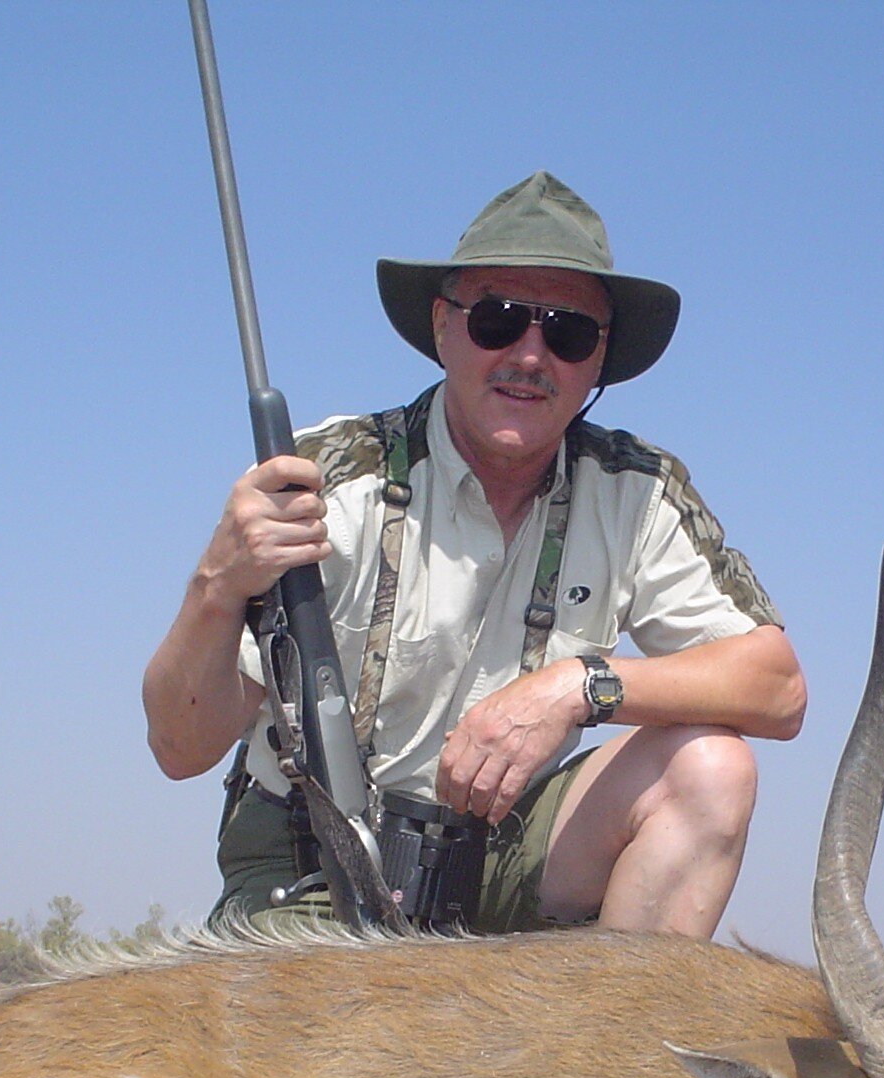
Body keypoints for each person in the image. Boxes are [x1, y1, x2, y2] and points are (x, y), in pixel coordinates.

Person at [144, 172, 804, 938]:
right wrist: (216, 586)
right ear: (443, 328)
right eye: (498, 319)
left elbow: (778, 689)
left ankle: (602, 1052)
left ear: (598, 361)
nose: (530, 355)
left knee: (712, 771)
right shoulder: (329, 477)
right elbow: (179, 746)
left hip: (497, 863)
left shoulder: (637, 491)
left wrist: (577, 686)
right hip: (313, 868)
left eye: (567, 334)